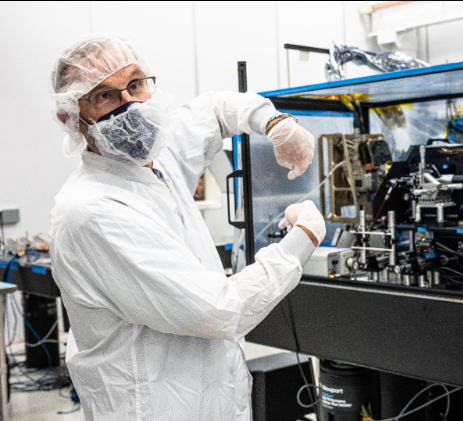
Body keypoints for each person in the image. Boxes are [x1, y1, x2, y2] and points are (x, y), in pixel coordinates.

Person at [48, 34, 325, 421]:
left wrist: (275, 123)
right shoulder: (91, 212)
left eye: (135, 84)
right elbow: (221, 310)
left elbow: (215, 110)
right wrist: (304, 238)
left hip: (213, 400)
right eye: (104, 96)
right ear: (71, 118)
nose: (130, 106)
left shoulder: (158, 160)